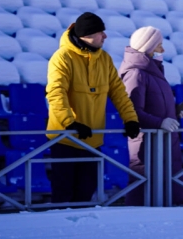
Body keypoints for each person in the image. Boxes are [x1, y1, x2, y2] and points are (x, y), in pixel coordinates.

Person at [46, 12, 141, 204]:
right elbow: (56, 93)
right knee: (63, 196)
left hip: (93, 140)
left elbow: (118, 92)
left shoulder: (104, 59)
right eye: (100, 32)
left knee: (85, 194)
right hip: (65, 140)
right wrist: (70, 123)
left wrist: (130, 119)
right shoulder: (62, 57)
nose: (105, 36)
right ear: (86, 35)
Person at [119, 26, 183, 206]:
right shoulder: (136, 73)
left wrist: (176, 112)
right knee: (144, 191)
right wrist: (160, 122)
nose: (163, 50)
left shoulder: (154, 72)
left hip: (164, 143)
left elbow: (155, 106)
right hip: (147, 144)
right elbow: (132, 112)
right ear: (148, 47)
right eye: (159, 45)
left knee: (168, 187)